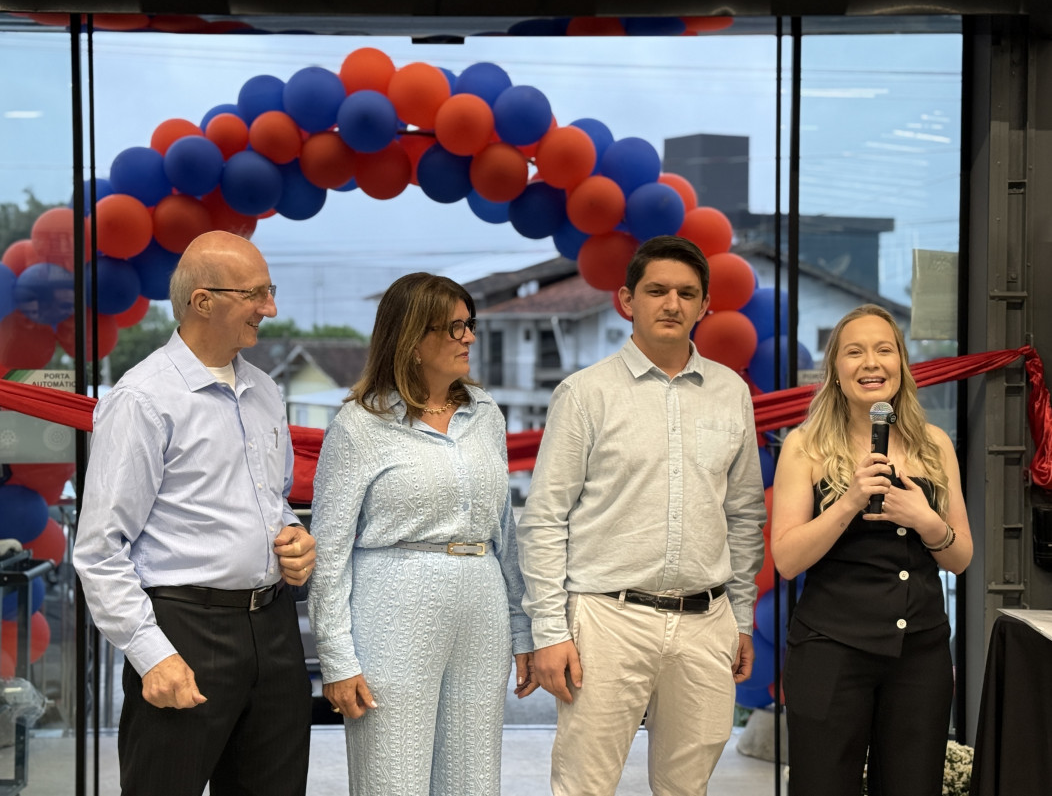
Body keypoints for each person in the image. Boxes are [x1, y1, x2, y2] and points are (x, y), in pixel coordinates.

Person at [517, 235, 767, 796]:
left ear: (706, 307)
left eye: (686, 293)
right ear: (628, 300)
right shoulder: (584, 394)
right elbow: (545, 518)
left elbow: (745, 514)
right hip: (607, 621)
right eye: (656, 291)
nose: (671, 304)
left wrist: (742, 619)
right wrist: (550, 631)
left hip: (708, 622)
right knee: (585, 786)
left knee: (688, 788)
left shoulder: (732, 394)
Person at [72, 230, 316, 796]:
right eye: (255, 293)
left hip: (275, 629)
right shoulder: (142, 401)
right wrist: (151, 655)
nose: (271, 308)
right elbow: (100, 550)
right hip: (184, 630)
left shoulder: (265, 391)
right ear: (203, 301)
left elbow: (271, 499)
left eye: (270, 290)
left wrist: (296, 538)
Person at [308, 272, 536, 796]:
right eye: (455, 328)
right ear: (411, 340)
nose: (470, 338)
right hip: (391, 611)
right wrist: (337, 659)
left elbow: (505, 532)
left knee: (474, 782)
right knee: (393, 779)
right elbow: (331, 551)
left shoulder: (487, 416)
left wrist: (522, 629)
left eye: (470, 324)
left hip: (481, 610)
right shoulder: (358, 425)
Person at [771, 304, 972, 796]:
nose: (871, 363)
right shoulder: (804, 446)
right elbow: (787, 559)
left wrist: (926, 521)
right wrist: (849, 502)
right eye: (854, 352)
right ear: (835, 372)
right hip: (830, 649)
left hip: (920, 653)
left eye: (885, 350)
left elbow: (960, 557)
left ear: (902, 365)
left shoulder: (935, 444)